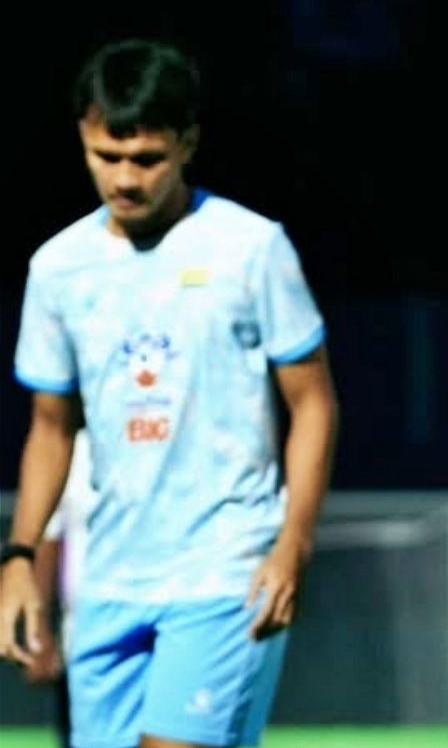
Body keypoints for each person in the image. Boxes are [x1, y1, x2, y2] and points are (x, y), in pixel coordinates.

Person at [0, 38, 340, 748]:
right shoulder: (58, 268)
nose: (125, 178)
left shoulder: (251, 248)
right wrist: (20, 557)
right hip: (109, 582)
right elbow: (50, 429)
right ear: (83, 139)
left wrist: (293, 543)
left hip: (226, 569)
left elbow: (313, 404)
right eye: (107, 156)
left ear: (188, 143)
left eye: (147, 158)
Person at [20, 429, 96, 748]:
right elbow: (48, 541)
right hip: (81, 637)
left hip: (166, 630)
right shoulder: (72, 449)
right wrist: (39, 632)